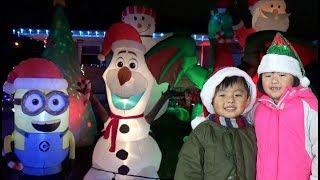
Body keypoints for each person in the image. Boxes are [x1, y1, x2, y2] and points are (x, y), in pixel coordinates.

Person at [253, 33, 318, 180]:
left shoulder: (308, 106)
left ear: (294, 78)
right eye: (268, 75)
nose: (274, 80)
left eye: (282, 75)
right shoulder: (257, 108)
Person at [175, 67, 257, 180]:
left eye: (237, 95)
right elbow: (188, 167)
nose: (230, 100)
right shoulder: (203, 132)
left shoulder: (252, 133)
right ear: (211, 100)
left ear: (248, 100)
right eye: (222, 95)